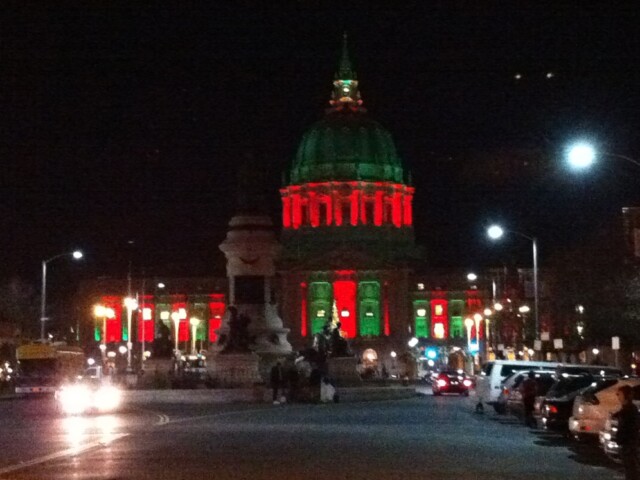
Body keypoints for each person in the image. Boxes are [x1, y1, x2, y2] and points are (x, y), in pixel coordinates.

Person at [614, 385, 639, 480]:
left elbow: (628, 428)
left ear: (626, 395)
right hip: (627, 444)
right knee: (629, 468)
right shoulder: (627, 409)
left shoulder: (629, 410)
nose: (618, 396)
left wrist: (621, 438)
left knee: (631, 468)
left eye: (619, 394)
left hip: (629, 444)